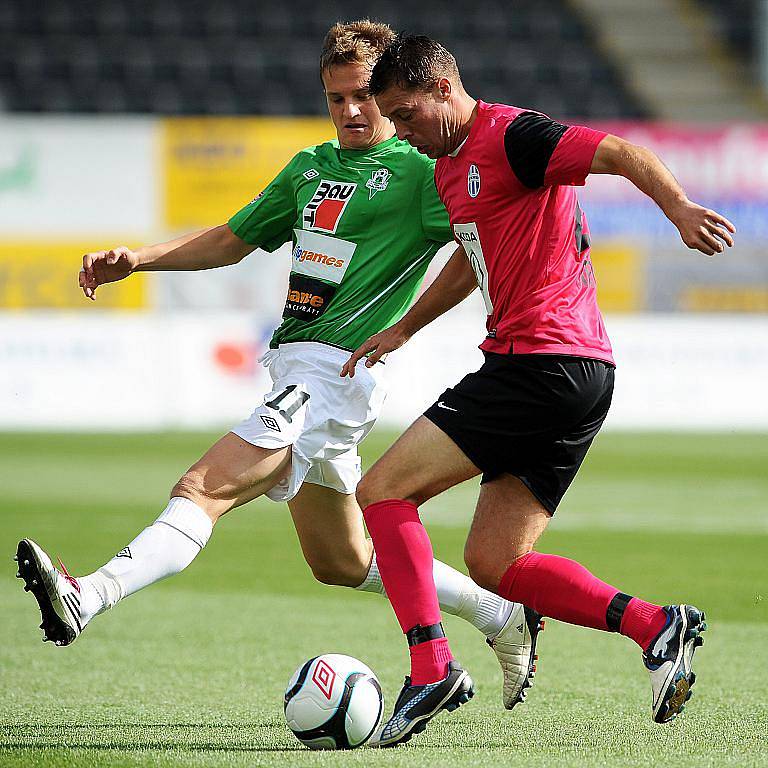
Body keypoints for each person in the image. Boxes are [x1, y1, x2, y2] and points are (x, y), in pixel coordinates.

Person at [15, 21, 540, 710]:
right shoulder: (308, 168)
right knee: (340, 561)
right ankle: (502, 617)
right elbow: (233, 240)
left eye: (362, 96)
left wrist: (414, 325)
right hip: (292, 369)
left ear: (387, 91)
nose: (351, 111)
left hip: (334, 375)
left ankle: (90, 595)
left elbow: (485, 232)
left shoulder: (421, 174)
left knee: (203, 486)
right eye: (335, 98)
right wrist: (140, 259)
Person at [341, 34, 735, 747]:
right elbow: (471, 256)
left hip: (539, 365)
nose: (401, 130)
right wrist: (404, 330)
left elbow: (620, 152)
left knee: (382, 492)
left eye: (405, 113)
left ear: (440, 88)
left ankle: (431, 667)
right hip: (580, 375)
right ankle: (657, 625)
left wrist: (676, 208)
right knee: (496, 563)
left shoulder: (513, 135)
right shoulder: (448, 169)